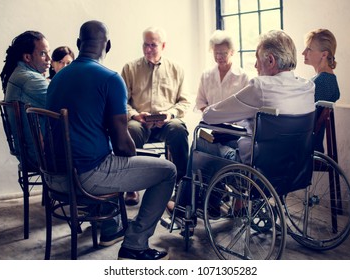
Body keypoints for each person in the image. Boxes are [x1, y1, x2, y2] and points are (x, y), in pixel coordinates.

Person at [46, 20, 176, 260]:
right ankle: (135, 244)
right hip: (86, 176)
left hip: (55, 178)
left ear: (78, 44)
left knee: (114, 158)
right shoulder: (109, 79)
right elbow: (123, 147)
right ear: (108, 46)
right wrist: (136, 156)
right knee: (168, 171)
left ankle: (116, 227)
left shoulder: (58, 79)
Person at [173, 30, 315, 211]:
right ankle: (210, 202)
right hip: (295, 168)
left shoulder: (260, 86)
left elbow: (209, 116)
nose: (255, 65)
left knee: (201, 139)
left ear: (270, 60)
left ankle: (186, 206)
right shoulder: (307, 87)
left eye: (258, 59)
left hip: (254, 170)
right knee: (223, 141)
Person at [121, 26, 190, 206]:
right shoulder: (129, 68)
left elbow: (184, 101)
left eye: (153, 45)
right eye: (145, 44)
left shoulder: (177, 69)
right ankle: (131, 186)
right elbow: (121, 101)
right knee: (129, 130)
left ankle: (182, 186)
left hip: (166, 123)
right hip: (140, 122)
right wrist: (136, 115)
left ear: (163, 46)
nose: (148, 49)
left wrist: (170, 114)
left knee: (178, 129)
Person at [0, 30, 51, 168]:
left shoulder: (20, 74)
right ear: (27, 57)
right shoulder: (30, 79)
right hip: (40, 156)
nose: (49, 59)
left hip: (29, 154)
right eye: (43, 54)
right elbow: (64, 105)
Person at [302, 28, 340, 153]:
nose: (303, 53)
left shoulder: (322, 81)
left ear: (324, 54)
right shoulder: (326, 79)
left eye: (309, 49)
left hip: (306, 147)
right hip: (309, 144)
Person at [195, 29, 249, 112]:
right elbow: (200, 102)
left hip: (235, 122)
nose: (219, 57)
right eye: (216, 53)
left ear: (232, 52)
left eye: (224, 53)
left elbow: (247, 106)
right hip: (211, 121)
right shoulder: (206, 75)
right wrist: (211, 115)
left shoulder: (243, 76)